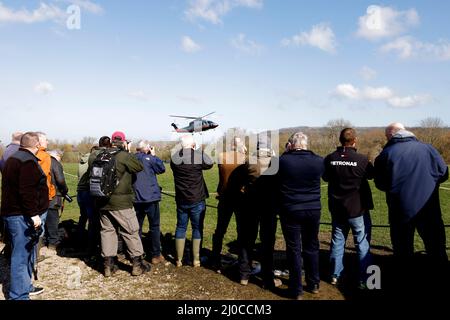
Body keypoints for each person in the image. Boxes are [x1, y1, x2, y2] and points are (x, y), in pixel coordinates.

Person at [374, 123, 449, 283]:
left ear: (392, 135)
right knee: (436, 246)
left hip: (399, 209)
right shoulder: (428, 149)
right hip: (428, 208)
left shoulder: (386, 153)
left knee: (402, 248)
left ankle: (406, 279)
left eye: (387, 137)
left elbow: (380, 183)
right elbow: (443, 173)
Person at [323, 128, 373, 288]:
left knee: (338, 241)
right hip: (357, 208)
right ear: (354, 141)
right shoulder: (362, 159)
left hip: (337, 207)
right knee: (362, 241)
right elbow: (371, 175)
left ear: (340, 140)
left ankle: (335, 275)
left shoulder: (330, 158)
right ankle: (365, 277)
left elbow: (325, 177)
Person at [1, 132, 49, 300]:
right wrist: (34, 214)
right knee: (21, 256)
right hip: (21, 216)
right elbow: (26, 191)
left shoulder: (13, 158)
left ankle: (25, 286)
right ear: (36, 146)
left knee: (26, 253)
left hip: (15, 213)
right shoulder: (27, 161)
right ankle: (18, 296)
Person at [97, 131, 151, 277]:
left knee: (107, 232)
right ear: (124, 142)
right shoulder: (124, 156)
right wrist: (127, 150)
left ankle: (108, 266)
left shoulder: (100, 155)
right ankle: (137, 265)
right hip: (121, 203)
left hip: (102, 201)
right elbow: (138, 166)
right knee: (131, 231)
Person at [278, 132, 324, 299]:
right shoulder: (319, 161)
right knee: (312, 246)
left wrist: (286, 152)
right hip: (313, 208)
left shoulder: (282, 161)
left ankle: (296, 289)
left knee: (294, 249)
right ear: (306, 144)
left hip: (291, 209)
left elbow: (275, 176)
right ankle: (313, 283)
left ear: (291, 144)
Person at [234, 134, 281, 290]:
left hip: (250, 205)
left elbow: (240, 183)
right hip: (269, 207)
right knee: (267, 243)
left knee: (247, 240)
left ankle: (244, 275)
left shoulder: (249, 162)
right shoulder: (275, 163)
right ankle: (268, 278)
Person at [170, 135, 213, 267]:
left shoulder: (175, 158)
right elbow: (209, 163)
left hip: (182, 198)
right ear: (193, 144)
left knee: (181, 227)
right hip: (197, 198)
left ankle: (179, 260)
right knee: (197, 227)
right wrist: (198, 150)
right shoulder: (197, 156)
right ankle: (196, 259)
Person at [211, 136, 246, 272]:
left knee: (220, 230)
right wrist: (243, 153)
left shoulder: (222, 156)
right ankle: (242, 263)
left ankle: (215, 260)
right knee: (242, 231)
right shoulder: (245, 158)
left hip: (225, 197)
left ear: (231, 146)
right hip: (241, 198)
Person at [133, 141, 166, 264]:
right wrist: (153, 155)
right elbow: (162, 169)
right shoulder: (150, 159)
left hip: (136, 198)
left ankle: (137, 253)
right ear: (147, 148)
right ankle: (156, 254)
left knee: (137, 227)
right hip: (151, 198)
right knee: (155, 227)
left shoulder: (132, 158)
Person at [77, 136, 111, 256]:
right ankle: (93, 247)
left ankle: (81, 242)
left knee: (84, 218)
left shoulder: (86, 158)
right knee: (95, 220)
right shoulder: (97, 156)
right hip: (90, 191)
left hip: (81, 191)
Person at [45, 150, 69, 252]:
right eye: (60, 157)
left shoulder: (41, 160)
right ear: (57, 156)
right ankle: (52, 243)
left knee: (43, 220)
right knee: (53, 220)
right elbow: (60, 180)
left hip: (41, 196)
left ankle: (43, 241)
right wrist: (65, 190)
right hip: (53, 196)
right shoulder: (54, 163)